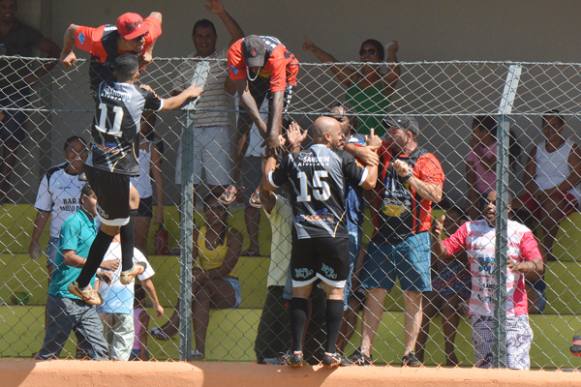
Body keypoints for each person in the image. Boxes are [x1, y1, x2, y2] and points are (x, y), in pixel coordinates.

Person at [68, 54, 203, 304]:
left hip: (95, 164)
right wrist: (190, 92)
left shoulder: (103, 87)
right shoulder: (140, 94)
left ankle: (113, 272)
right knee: (114, 224)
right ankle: (95, 279)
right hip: (114, 168)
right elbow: (170, 103)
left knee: (131, 201)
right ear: (137, 73)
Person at [263, 116, 378, 368]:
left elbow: (268, 183)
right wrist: (373, 154)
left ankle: (296, 351)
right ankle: (330, 352)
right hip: (333, 235)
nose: (342, 138)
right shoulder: (340, 158)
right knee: (335, 292)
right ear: (326, 137)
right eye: (338, 134)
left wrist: (273, 149)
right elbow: (369, 182)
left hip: (304, 235)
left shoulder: (294, 159)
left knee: (300, 292)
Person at [353, 116, 444, 367]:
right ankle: (364, 352)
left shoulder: (426, 160)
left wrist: (409, 179)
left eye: (394, 129)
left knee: (413, 295)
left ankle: (409, 353)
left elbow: (436, 195)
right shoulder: (382, 152)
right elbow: (346, 142)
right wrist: (369, 145)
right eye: (388, 128)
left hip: (414, 235)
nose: (388, 133)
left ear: (409, 134)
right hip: (383, 235)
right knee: (375, 292)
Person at [432, 190, 544, 370]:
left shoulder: (520, 232)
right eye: (486, 202)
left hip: (512, 313)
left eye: (494, 203)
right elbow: (445, 252)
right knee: (486, 368)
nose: (489, 206)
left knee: (515, 367)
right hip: (481, 312)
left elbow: (538, 265)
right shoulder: (470, 229)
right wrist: (436, 235)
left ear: (508, 208)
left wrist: (519, 266)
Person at [254, 123, 327, 365]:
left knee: (305, 351)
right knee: (266, 350)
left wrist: (293, 148)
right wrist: (274, 151)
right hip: (280, 285)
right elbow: (265, 192)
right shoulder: (283, 206)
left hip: (311, 284)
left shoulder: (315, 207)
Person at [151, 195, 242, 360]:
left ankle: (174, 324)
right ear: (204, 210)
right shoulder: (197, 233)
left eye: (218, 208)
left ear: (225, 212)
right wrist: (198, 274)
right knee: (202, 294)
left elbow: (225, 269)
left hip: (227, 287)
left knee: (198, 280)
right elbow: (189, 262)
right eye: (209, 208)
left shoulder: (233, 235)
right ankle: (199, 350)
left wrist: (201, 275)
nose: (213, 212)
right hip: (202, 285)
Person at [173, 0, 243, 205]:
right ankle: (189, 233)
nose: (203, 40)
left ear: (215, 38)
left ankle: (215, 233)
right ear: (193, 38)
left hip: (217, 128)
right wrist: (186, 95)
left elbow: (239, 38)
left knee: (218, 187)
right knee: (187, 185)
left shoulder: (222, 57)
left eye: (208, 36)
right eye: (199, 36)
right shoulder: (186, 63)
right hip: (190, 129)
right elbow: (176, 95)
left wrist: (221, 12)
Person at [36, 184, 109, 360]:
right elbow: (69, 257)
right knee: (51, 351)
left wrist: (97, 272)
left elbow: (85, 258)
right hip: (64, 297)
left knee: (99, 350)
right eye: (95, 197)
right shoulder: (73, 222)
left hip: (85, 297)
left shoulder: (93, 224)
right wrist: (100, 263)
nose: (99, 202)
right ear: (83, 198)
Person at [224, 34, 300, 203]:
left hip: (282, 73)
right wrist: (260, 124)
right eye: (251, 65)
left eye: (256, 64)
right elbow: (243, 92)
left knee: (275, 132)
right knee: (243, 124)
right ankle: (235, 182)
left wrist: (271, 133)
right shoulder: (235, 51)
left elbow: (277, 97)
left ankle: (262, 185)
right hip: (256, 79)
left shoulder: (276, 55)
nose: (253, 68)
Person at [0, 0, 60, 203]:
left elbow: (54, 51)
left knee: (11, 139)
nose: (8, 11)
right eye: (3, 7)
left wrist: (34, 76)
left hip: (15, 91)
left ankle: (3, 186)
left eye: (11, 7)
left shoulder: (25, 32)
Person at [514, 110, 580, 263]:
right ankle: (518, 250)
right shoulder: (537, 149)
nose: (550, 130)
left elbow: (576, 176)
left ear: (562, 127)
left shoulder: (572, 148)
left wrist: (552, 192)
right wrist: (535, 192)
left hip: (565, 193)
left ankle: (546, 251)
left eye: (555, 126)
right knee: (514, 205)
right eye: (547, 126)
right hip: (539, 193)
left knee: (552, 203)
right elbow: (527, 177)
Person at [303, 38, 400, 136]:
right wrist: (313, 48)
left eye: (371, 52)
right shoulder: (354, 79)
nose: (366, 55)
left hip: (378, 137)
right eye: (363, 52)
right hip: (354, 137)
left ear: (380, 57)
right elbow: (332, 64)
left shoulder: (384, 82)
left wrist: (391, 51)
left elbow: (394, 72)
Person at [415, 201, 470, 366]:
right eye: (447, 221)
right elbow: (433, 266)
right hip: (440, 284)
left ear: (461, 222)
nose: (449, 224)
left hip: (461, 285)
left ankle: (449, 351)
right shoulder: (440, 240)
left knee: (449, 304)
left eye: (454, 220)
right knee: (423, 307)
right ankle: (417, 354)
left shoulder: (466, 238)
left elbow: (448, 255)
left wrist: (437, 237)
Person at [98, 232, 164, 361]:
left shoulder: (98, 250)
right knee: (121, 348)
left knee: (103, 348)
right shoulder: (133, 252)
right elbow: (147, 282)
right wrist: (156, 303)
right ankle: (118, 369)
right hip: (124, 307)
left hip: (102, 307)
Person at [59, 10, 162, 92]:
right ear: (123, 37)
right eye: (136, 37)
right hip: (103, 64)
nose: (142, 40)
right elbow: (71, 30)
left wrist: (149, 50)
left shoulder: (147, 36)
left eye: (143, 34)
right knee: (106, 103)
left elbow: (156, 14)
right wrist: (66, 51)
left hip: (129, 72)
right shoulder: (97, 40)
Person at [29, 136, 88, 278]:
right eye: (72, 150)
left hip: (87, 238)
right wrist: (34, 240)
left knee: (87, 280)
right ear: (65, 154)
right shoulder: (52, 175)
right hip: (59, 238)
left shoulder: (95, 174)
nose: (77, 155)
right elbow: (44, 211)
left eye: (82, 151)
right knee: (55, 279)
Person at [466, 115, 521, 219]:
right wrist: (472, 193)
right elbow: (469, 171)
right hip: (479, 193)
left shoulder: (499, 146)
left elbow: (491, 166)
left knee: (495, 221)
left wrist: (476, 150)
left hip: (497, 194)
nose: (473, 135)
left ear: (486, 132)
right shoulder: (475, 148)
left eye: (476, 131)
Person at [131, 114, 164, 253]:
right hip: (122, 197)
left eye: (144, 120)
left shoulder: (151, 147)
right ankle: (123, 274)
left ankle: (143, 274)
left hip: (143, 197)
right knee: (121, 243)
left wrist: (160, 208)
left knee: (140, 244)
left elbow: (158, 178)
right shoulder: (120, 145)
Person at [130, 284, 151, 360]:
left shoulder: (126, 312)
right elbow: (143, 334)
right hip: (138, 349)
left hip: (126, 347)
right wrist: (143, 351)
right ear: (143, 299)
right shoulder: (143, 314)